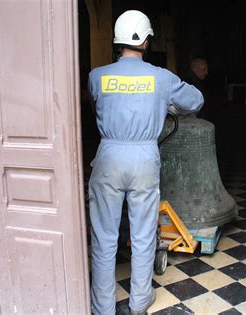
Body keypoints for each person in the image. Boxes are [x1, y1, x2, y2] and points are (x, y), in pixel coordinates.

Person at [87, 10, 203, 315]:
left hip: (108, 156)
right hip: (144, 158)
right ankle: (139, 302)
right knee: (142, 234)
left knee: (103, 237)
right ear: (146, 41)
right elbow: (196, 100)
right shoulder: (161, 78)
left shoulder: (96, 76)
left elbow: (96, 102)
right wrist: (167, 102)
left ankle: (102, 308)